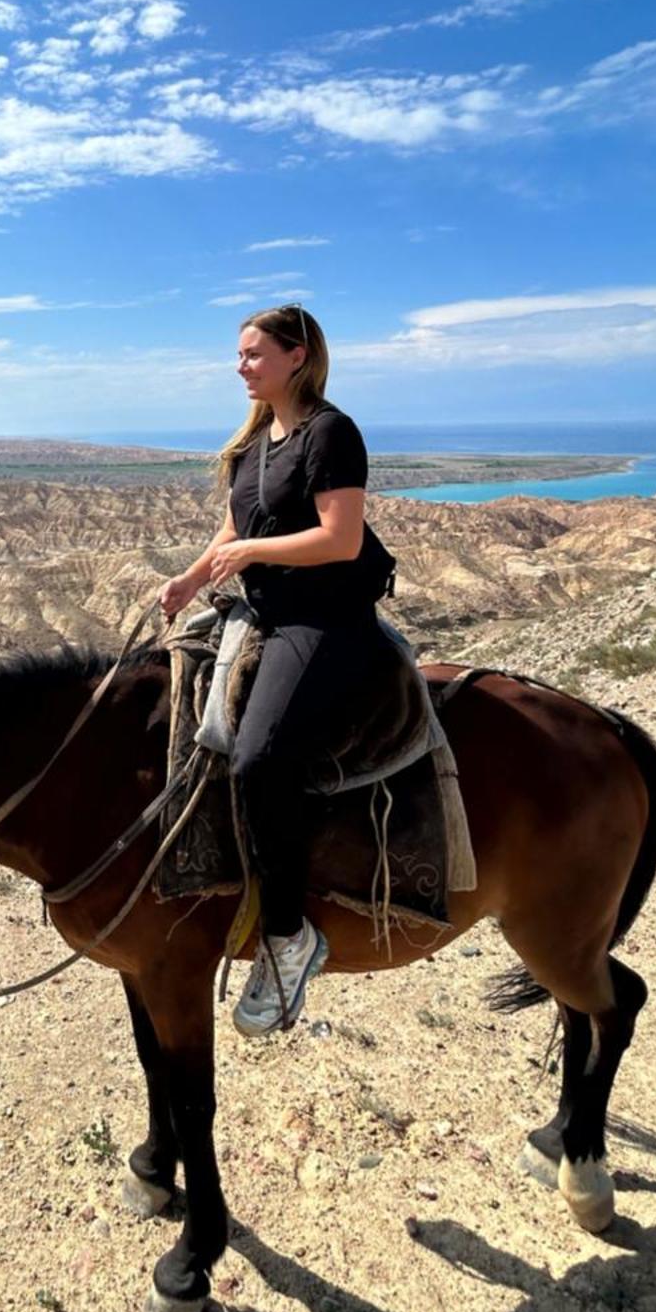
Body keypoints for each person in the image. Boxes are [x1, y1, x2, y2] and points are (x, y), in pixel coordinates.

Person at [158, 304, 397, 1036]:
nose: (241, 365)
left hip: (322, 619)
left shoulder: (331, 432)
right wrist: (193, 578)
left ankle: (291, 938)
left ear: (297, 356)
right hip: (261, 611)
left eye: (254, 353)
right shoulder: (258, 442)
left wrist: (252, 558)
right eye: (239, 354)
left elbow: (341, 537)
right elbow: (238, 526)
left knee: (260, 758)